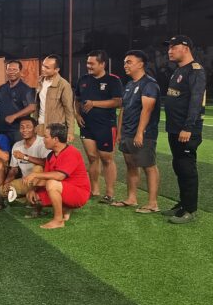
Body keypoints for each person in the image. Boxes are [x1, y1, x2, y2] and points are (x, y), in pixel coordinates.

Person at [163, 35, 207, 224]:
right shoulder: (179, 70)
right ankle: (182, 205)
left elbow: (196, 101)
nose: (170, 50)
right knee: (179, 166)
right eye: (169, 47)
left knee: (187, 168)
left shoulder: (195, 71)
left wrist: (188, 127)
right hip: (175, 128)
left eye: (174, 47)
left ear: (186, 48)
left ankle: (190, 209)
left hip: (186, 130)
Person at [114, 50, 161, 214]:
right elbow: (124, 109)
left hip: (144, 134)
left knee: (149, 166)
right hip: (127, 133)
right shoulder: (129, 84)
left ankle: (153, 203)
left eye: (129, 62)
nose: (125, 65)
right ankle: (131, 198)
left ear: (140, 64)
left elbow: (147, 110)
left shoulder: (149, 84)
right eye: (125, 62)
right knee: (131, 165)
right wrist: (120, 132)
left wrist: (140, 133)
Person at [74, 50, 124, 203]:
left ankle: (109, 193)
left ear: (102, 64)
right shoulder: (83, 79)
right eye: (87, 63)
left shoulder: (113, 80)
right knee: (92, 157)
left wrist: (94, 103)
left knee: (106, 159)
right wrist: (77, 115)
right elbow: (77, 99)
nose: (88, 66)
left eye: (92, 63)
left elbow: (118, 102)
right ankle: (94, 190)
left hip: (105, 126)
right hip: (86, 126)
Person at [24, 122, 90, 230]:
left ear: (55, 139)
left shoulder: (72, 152)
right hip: (64, 188)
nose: (43, 140)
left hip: (79, 194)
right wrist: (33, 189)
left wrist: (35, 174)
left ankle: (58, 220)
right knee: (36, 197)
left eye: (46, 137)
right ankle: (66, 208)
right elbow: (45, 179)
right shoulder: (51, 155)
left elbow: (59, 176)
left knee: (52, 184)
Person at [1, 117, 49, 203]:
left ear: (35, 129)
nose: (24, 130)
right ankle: (25, 195)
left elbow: (46, 163)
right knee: (2, 190)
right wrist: (7, 182)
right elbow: (14, 169)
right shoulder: (17, 145)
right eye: (22, 127)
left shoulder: (43, 142)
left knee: (38, 167)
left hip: (41, 181)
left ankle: (33, 194)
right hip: (25, 181)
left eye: (28, 127)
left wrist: (25, 157)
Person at [0, 59, 37, 146]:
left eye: (14, 70)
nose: (11, 72)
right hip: (0, 129)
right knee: (2, 152)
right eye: (9, 69)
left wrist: (14, 116)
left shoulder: (25, 89)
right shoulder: (2, 88)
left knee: (17, 152)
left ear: (20, 72)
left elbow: (32, 107)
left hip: (16, 130)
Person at [37, 55, 77, 142]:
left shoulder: (64, 85)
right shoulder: (40, 81)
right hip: (40, 126)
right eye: (43, 65)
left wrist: (70, 132)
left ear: (56, 70)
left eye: (47, 67)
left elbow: (69, 110)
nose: (43, 69)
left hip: (56, 129)